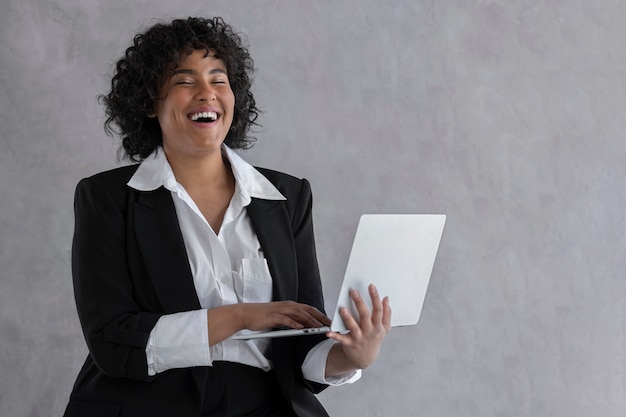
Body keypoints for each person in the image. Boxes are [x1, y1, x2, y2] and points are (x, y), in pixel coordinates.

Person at [63, 17, 391, 417]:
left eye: (219, 80)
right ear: (150, 102)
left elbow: (301, 343)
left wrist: (353, 356)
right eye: (185, 81)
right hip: (147, 402)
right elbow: (114, 342)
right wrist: (240, 317)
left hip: (266, 404)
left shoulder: (286, 197)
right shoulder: (107, 198)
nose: (207, 94)